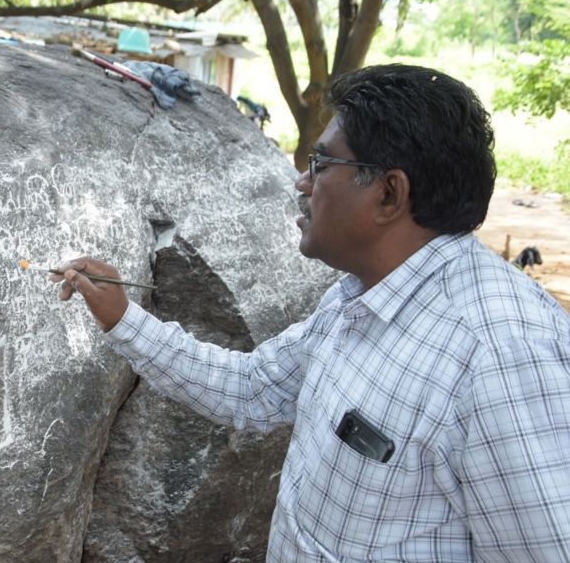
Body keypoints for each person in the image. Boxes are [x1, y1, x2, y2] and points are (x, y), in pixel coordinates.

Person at [52, 64, 570, 562]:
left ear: (388, 193)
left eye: (321, 165)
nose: (301, 182)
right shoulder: (355, 299)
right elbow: (252, 389)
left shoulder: (500, 355)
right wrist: (122, 317)